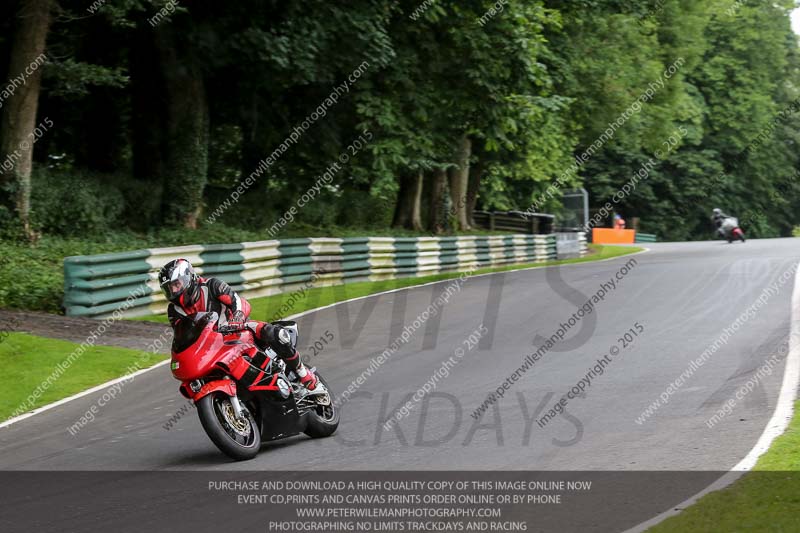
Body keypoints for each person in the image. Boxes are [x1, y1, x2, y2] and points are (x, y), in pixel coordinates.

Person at [159, 258, 322, 391]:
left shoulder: (212, 285)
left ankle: (303, 373)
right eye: (169, 289)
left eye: (176, 285)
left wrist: (237, 318)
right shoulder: (174, 310)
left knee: (273, 333)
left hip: (236, 330)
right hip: (211, 346)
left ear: (188, 278)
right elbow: (184, 334)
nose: (174, 291)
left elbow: (236, 301)